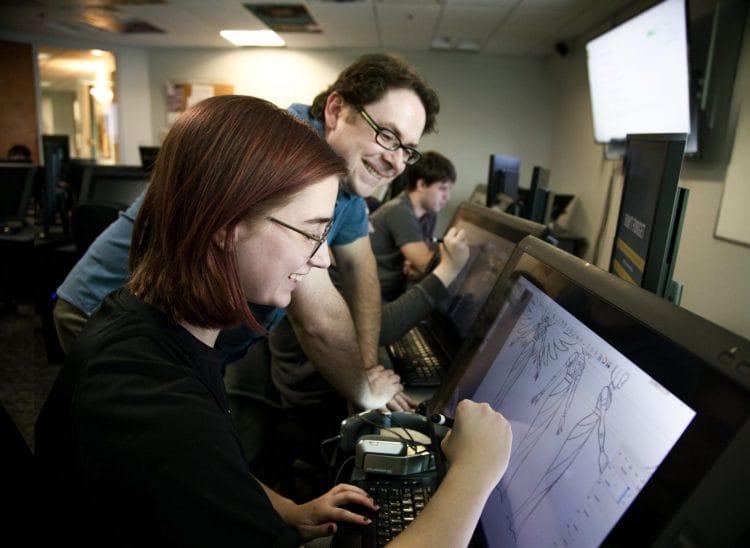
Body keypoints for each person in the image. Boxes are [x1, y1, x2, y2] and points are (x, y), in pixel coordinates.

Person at [34, 95, 513, 547]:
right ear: (224, 225)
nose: (322, 260)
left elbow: (209, 468)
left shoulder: (163, 330)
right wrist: (474, 472)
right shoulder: (152, 402)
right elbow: (183, 446)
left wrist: (285, 508)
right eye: (310, 232)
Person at [369, 150, 457, 301]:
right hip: (372, 294)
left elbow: (420, 265)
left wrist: (420, 267)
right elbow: (425, 264)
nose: (447, 197)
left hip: (391, 291)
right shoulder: (399, 211)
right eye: (442, 188)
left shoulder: (429, 215)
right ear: (422, 184)